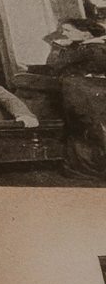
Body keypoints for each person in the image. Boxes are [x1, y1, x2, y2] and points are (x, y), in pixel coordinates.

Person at [40, 20, 106, 178]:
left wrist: (58, 46)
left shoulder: (90, 48)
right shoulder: (93, 46)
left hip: (84, 93)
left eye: (68, 30)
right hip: (93, 92)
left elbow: (54, 66)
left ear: (85, 33)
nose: (64, 34)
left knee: (85, 128)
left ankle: (88, 168)